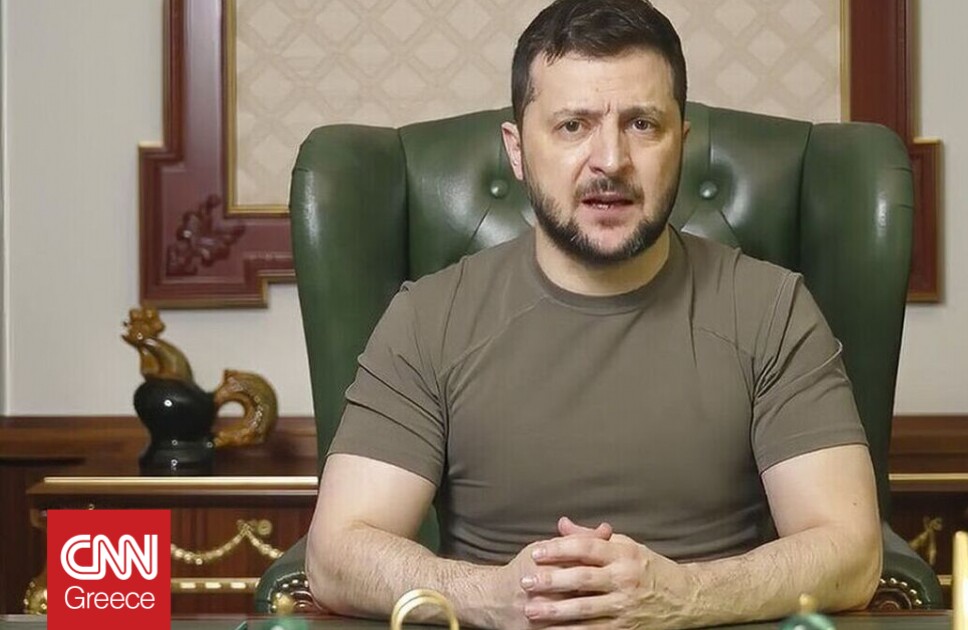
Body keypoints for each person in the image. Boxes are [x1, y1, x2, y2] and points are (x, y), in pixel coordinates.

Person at [305, 0, 882, 626]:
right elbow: (335, 556)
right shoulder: (428, 317)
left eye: (643, 124)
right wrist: (494, 596)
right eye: (573, 125)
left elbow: (852, 554)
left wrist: (683, 596)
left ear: (681, 145)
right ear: (517, 150)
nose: (610, 160)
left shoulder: (772, 309)